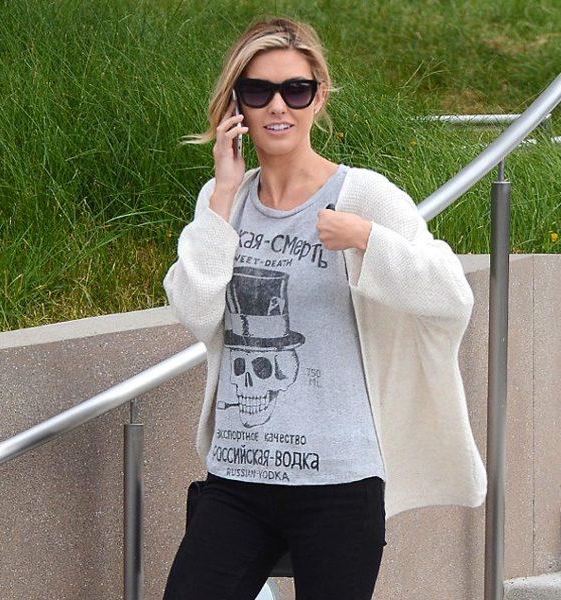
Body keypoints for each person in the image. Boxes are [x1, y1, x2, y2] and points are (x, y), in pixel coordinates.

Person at [162, 15, 486, 600]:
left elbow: (450, 296)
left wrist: (368, 239)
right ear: (237, 104)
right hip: (237, 475)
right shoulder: (224, 201)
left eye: (296, 89)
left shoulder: (362, 196)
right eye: (258, 90)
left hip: (338, 483)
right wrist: (223, 194)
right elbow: (195, 309)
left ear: (319, 97)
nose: (277, 106)